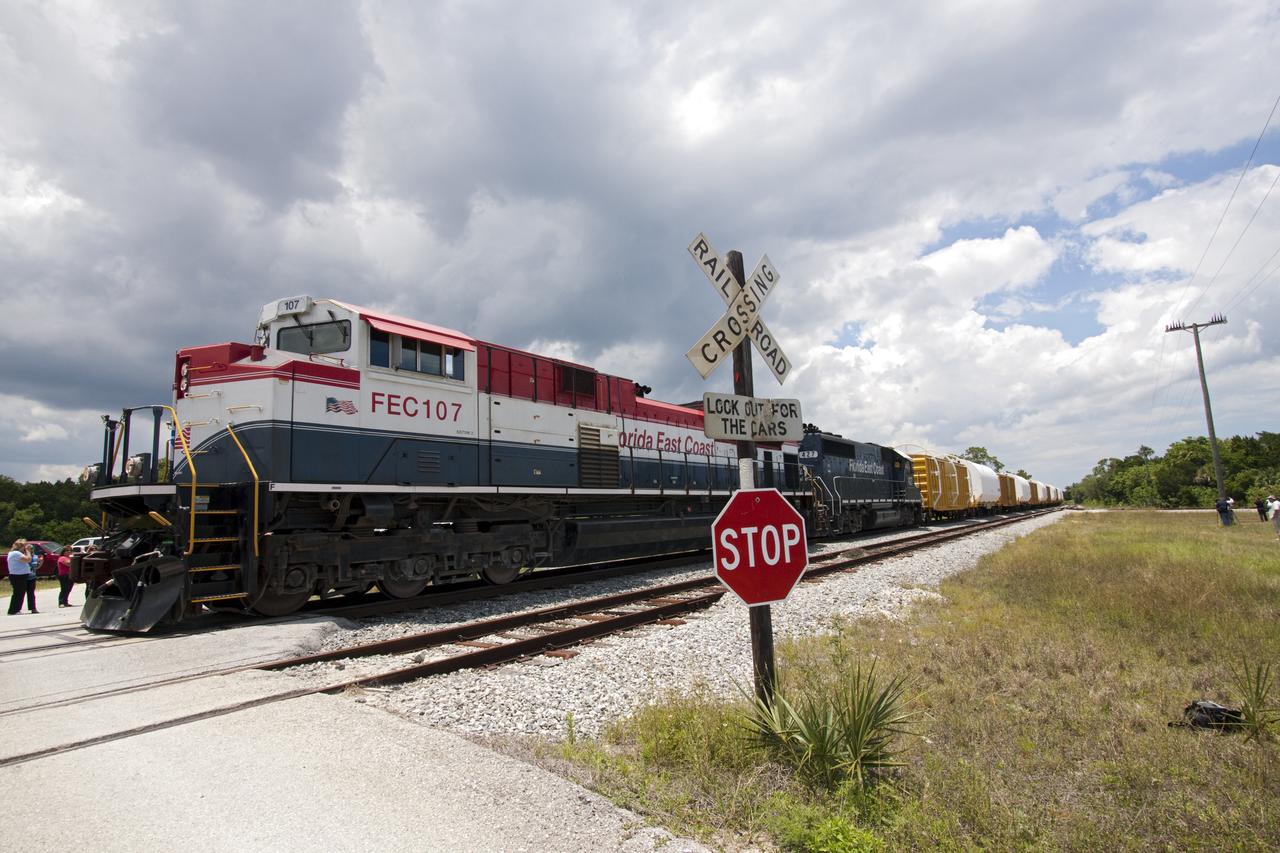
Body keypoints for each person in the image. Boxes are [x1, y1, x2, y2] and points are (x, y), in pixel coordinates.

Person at [7, 539, 36, 615]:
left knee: (20, 593)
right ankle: (13, 610)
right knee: (18, 593)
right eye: (24, 546)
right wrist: (28, 551)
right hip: (18, 576)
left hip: (20, 575)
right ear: (21, 546)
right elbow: (28, 559)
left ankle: (16, 609)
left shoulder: (15, 553)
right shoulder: (16, 553)